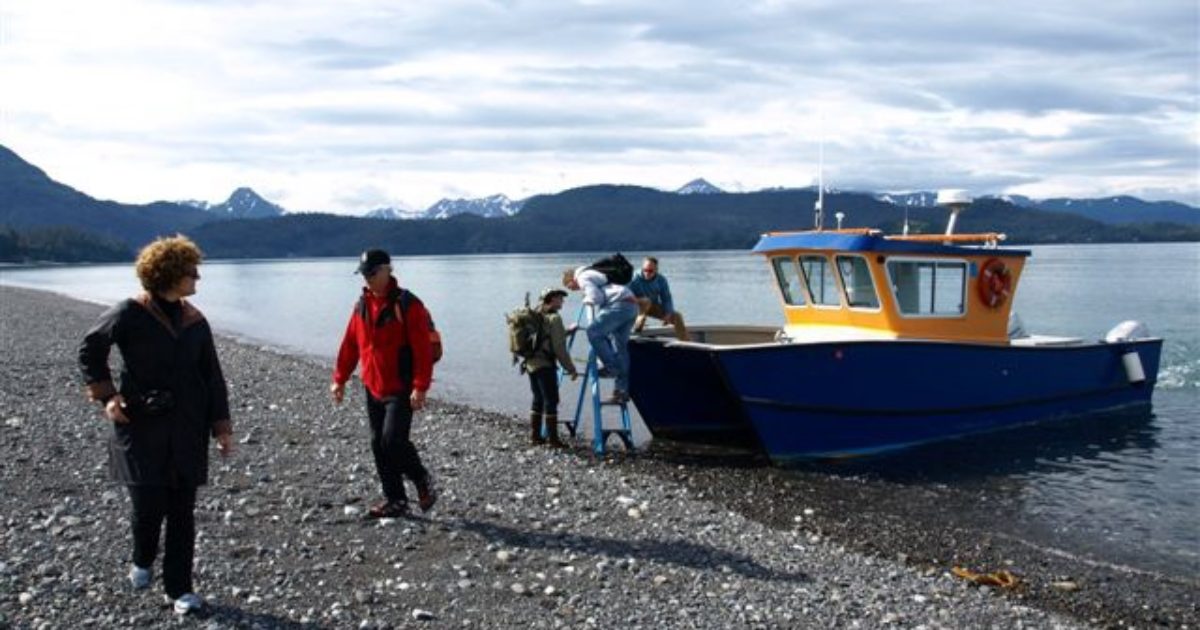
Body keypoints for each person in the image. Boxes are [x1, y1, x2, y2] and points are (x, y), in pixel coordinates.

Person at [78, 235, 233, 616]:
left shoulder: (196, 322)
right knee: (148, 508)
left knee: (182, 512)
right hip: (140, 427)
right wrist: (108, 396)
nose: (197, 277)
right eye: (190, 271)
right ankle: (142, 558)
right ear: (168, 274)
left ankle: (179, 589)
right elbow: (90, 349)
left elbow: (211, 376)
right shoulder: (129, 313)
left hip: (187, 429)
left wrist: (221, 427)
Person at [331, 249, 436, 518]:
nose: (367, 278)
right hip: (373, 385)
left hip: (400, 387)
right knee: (378, 444)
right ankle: (396, 500)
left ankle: (421, 478)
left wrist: (420, 386)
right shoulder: (361, 306)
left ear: (388, 270)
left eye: (372, 273)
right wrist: (339, 379)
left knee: (393, 441)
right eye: (364, 274)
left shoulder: (409, 305)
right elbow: (351, 345)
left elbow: (422, 349)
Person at [562, 265, 638, 403]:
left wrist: (587, 300)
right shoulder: (596, 275)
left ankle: (610, 368)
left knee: (593, 332)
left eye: (570, 286)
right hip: (631, 304)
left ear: (572, 278)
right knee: (621, 348)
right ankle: (621, 391)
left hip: (618, 304)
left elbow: (594, 296)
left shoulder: (583, 276)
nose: (572, 289)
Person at [524, 287, 579, 446]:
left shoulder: (536, 314)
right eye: (560, 297)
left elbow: (547, 337)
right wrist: (571, 369)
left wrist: (567, 331)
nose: (562, 300)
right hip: (545, 365)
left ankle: (535, 436)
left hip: (530, 363)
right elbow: (559, 348)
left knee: (538, 399)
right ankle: (553, 440)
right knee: (551, 400)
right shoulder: (554, 318)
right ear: (552, 299)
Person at [629, 256, 689, 341]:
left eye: (650, 271)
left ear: (656, 270)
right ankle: (637, 325)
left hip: (652, 306)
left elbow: (666, 298)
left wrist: (668, 313)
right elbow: (625, 296)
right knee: (646, 301)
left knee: (677, 316)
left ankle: (685, 343)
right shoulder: (633, 278)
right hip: (634, 307)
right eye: (645, 270)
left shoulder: (661, 280)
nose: (647, 273)